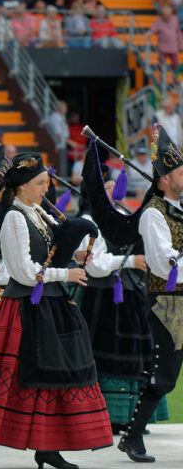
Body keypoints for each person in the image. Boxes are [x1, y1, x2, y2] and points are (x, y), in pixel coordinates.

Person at [0, 151, 111, 469]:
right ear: (22, 187)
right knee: (9, 378)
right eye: (39, 183)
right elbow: (22, 271)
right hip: (23, 305)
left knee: (53, 372)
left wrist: (73, 259)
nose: (45, 188)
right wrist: (66, 274)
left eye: (46, 182)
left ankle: (48, 446)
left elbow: (48, 255)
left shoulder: (38, 213)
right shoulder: (13, 218)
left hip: (49, 302)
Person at [74, 165, 162, 440]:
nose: (112, 193)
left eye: (113, 188)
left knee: (132, 354)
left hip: (128, 295)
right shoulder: (88, 221)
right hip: (100, 297)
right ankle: (105, 417)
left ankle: (128, 418)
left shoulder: (121, 215)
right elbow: (95, 265)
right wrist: (128, 261)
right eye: (107, 189)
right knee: (103, 356)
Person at [118, 125, 183, 463]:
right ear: (165, 179)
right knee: (165, 374)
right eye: (180, 171)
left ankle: (131, 437)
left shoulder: (179, 211)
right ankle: (131, 437)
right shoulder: (154, 214)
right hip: (169, 303)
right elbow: (163, 263)